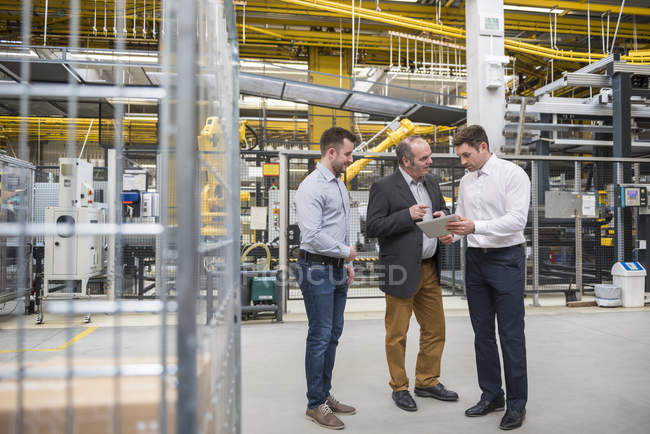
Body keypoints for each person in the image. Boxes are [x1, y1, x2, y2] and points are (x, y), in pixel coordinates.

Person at [441, 125, 530, 430]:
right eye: (460, 156)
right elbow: (463, 218)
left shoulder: (512, 174)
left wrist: (474, 227)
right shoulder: (466, 181)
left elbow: (517, 220)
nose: (463, 161)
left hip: (507, 260)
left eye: (466, 155)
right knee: (482, 334)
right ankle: (492, 395)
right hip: (476, 261)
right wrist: (448, 229)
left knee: (511, 335)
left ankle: (517, 405)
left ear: (482, 147)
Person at [366, 136, 458, 413]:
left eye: (429, 156)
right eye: (424, 159)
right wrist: (407, 214)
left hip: (429, 268)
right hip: (400, 270)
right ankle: (400, 387)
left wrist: (445, 223)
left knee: (435, 329)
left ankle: (427, 381)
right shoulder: (383, 187)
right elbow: (373, 226)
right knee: (397, 334)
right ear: (406, 161)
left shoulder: (430, 182)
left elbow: (439, 214)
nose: (430, 162)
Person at [294, 126, 358, 430]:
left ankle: (324, 394)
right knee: (320, 335)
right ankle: (314, 404)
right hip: (316, 269)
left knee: (333, 334)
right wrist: (345, 251)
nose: (350, 159)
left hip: (334, 268)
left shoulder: (338, 185)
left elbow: (338, 227)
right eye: (347, 154)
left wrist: (344, 262)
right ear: (331, 152)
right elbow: (313, 235)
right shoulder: (311, 187)